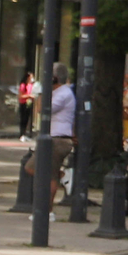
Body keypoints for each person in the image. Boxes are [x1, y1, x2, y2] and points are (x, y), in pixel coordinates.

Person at [43, 64, 76, 206]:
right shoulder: (58, 92)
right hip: (52, 136)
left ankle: (47, 211)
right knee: (31, 168)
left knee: (50, 176)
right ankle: (62, 175)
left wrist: (41, 92)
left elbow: (43, 109)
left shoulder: (63, 94)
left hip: (58, 138)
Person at [16, 68, 39, 138]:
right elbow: (20, 96)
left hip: (29, 103)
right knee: (23, 118)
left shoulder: (32, 85)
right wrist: (28, 96)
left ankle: (27, 132)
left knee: (28, 118)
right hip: (23, 103)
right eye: (31, 77)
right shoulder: (23, 85)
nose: (32, 79)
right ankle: (22, 133)